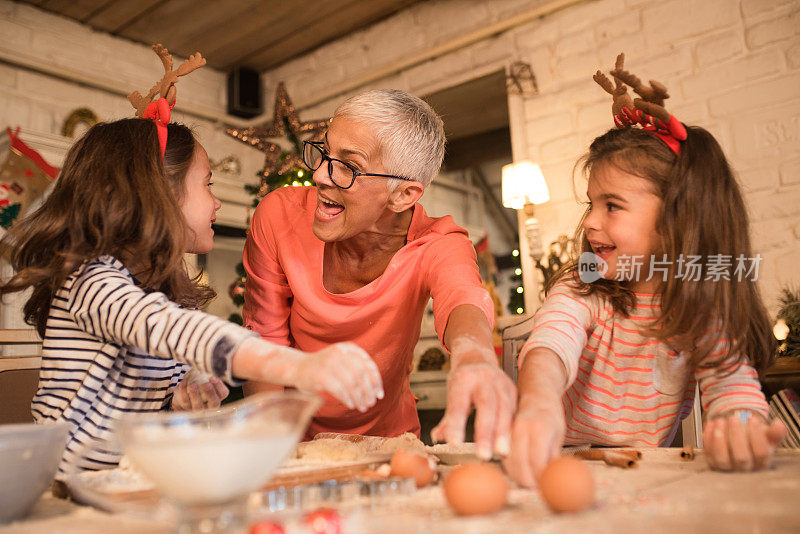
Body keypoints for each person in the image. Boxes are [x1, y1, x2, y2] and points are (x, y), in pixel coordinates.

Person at [0, 118, 383, 478]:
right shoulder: (92, 281)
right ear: (160, 193)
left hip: (134, 484)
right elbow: (172, 328)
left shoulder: (161, 293)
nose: (216, 203)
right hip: (68, 491)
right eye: (208, 184)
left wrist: (177, 405)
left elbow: (137, 414)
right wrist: (298, 367)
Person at [505, 62, 787, 487]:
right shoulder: (584, 286)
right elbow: (550, 345)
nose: (591, 223)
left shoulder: (697, 303)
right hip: (559, 466)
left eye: (612, 205)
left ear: (677, 218)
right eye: (591, 204)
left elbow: (730, 380)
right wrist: (539, 402)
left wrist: (740, 421)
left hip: (646, 475)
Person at [243, 89, 516, 459]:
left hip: (390, 447)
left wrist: (474, 354)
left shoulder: (437, 242)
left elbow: (463, 298)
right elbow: (265, 344)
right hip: (290, 441)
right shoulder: (278, 215)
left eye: (348, 166)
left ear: (403, 194)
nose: (321, 175)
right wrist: (270, 453)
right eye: (324, 152)